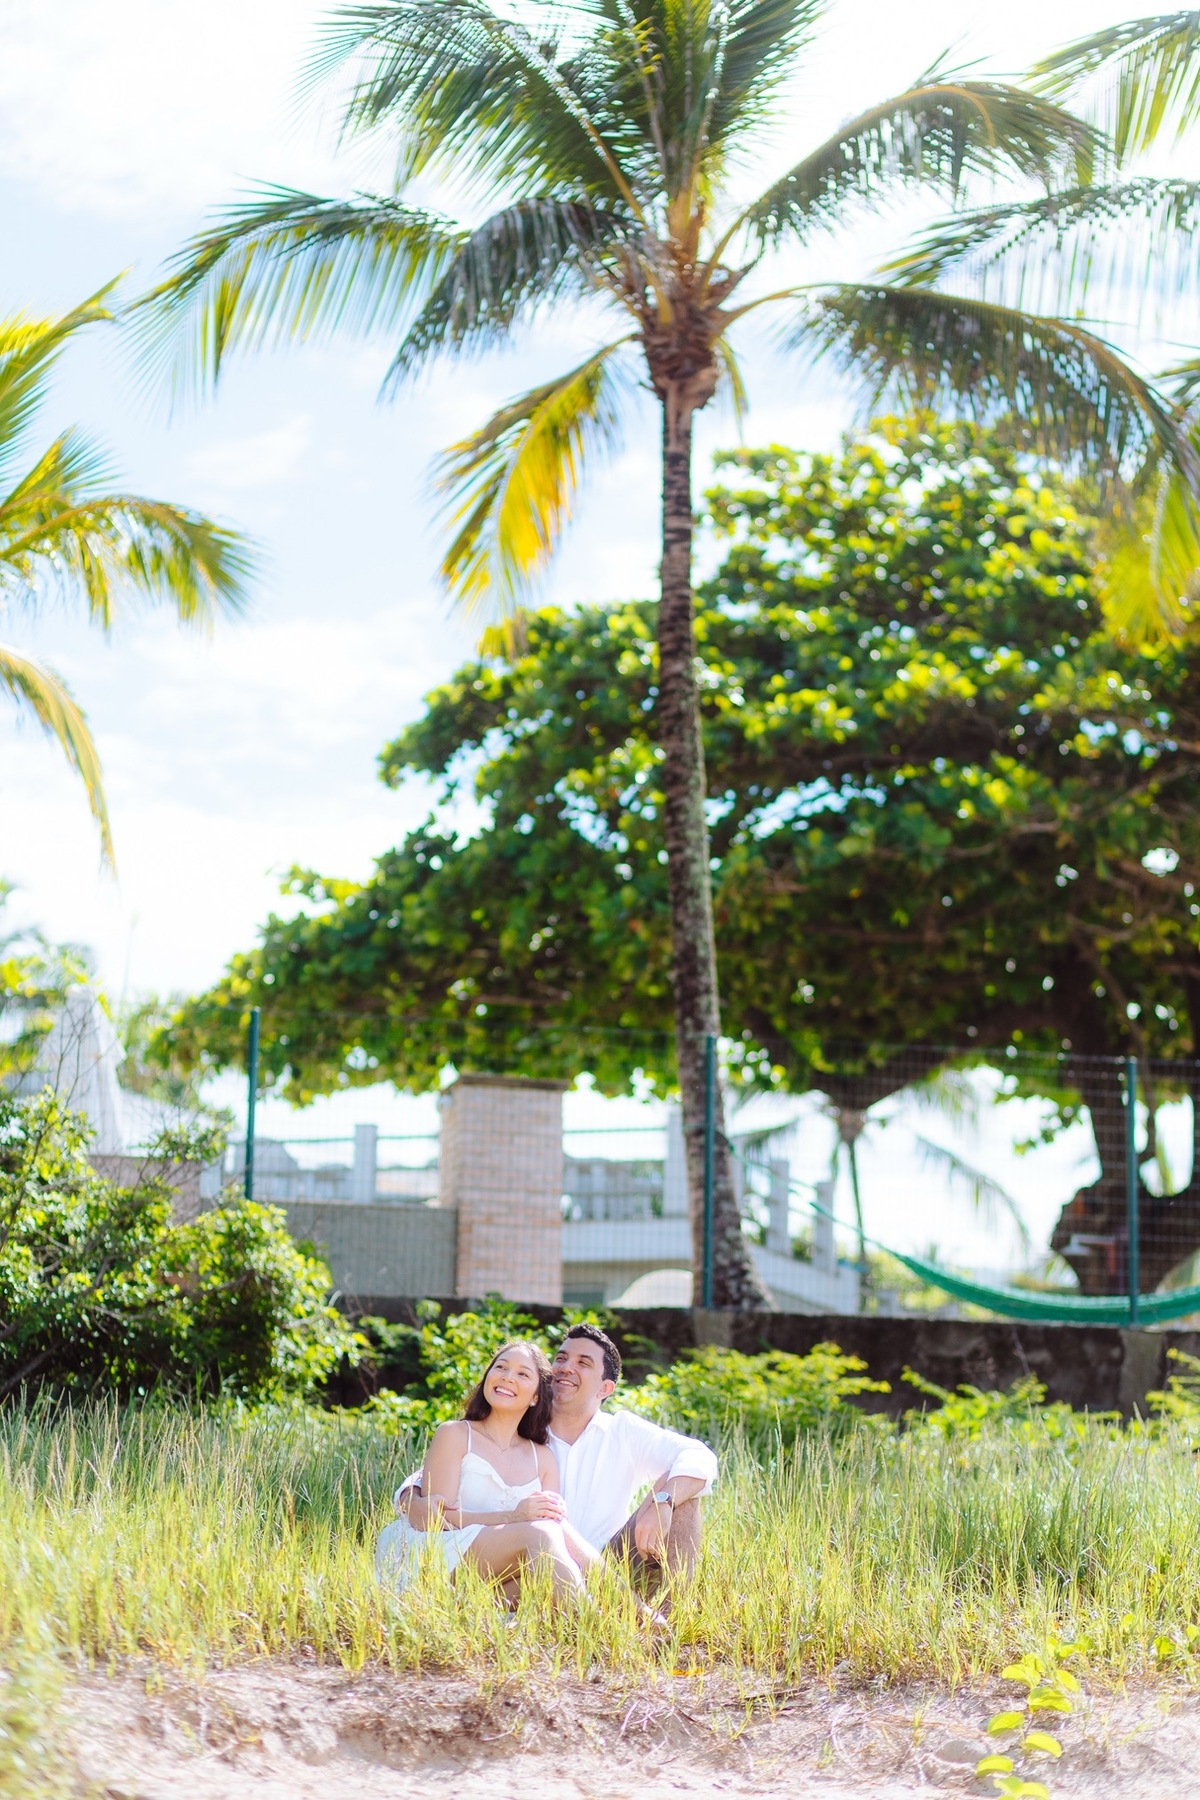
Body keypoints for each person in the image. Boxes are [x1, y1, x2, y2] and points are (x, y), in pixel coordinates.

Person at [392, 1323, 717, 1604]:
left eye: (583, 1362)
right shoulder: (522, 1428)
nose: (565, 1367)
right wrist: (411, 1493)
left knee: (686, 1496)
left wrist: (663, 1501)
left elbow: (698, 1457)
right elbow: (449, 1467)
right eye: (561, 1358)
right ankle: (595, 1618)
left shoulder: (624, 1431)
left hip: (609, 1561)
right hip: (534, 1559)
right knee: (537, 1553)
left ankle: (669, 1623)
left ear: (605, 1388)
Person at [375, 1340, 598, 1600]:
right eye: (500, 1367)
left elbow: (555, 1535)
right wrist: (512, 1517)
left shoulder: (544, 1459)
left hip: (498, 1579)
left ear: (536, 1396)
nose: (507, 1377)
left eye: (522, 1374)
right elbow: (434, 1522)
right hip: (441, 1557)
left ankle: (617, 1615)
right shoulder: (455, 1434)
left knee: (549, 1556)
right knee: (542, 1533)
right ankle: (594, 1626)